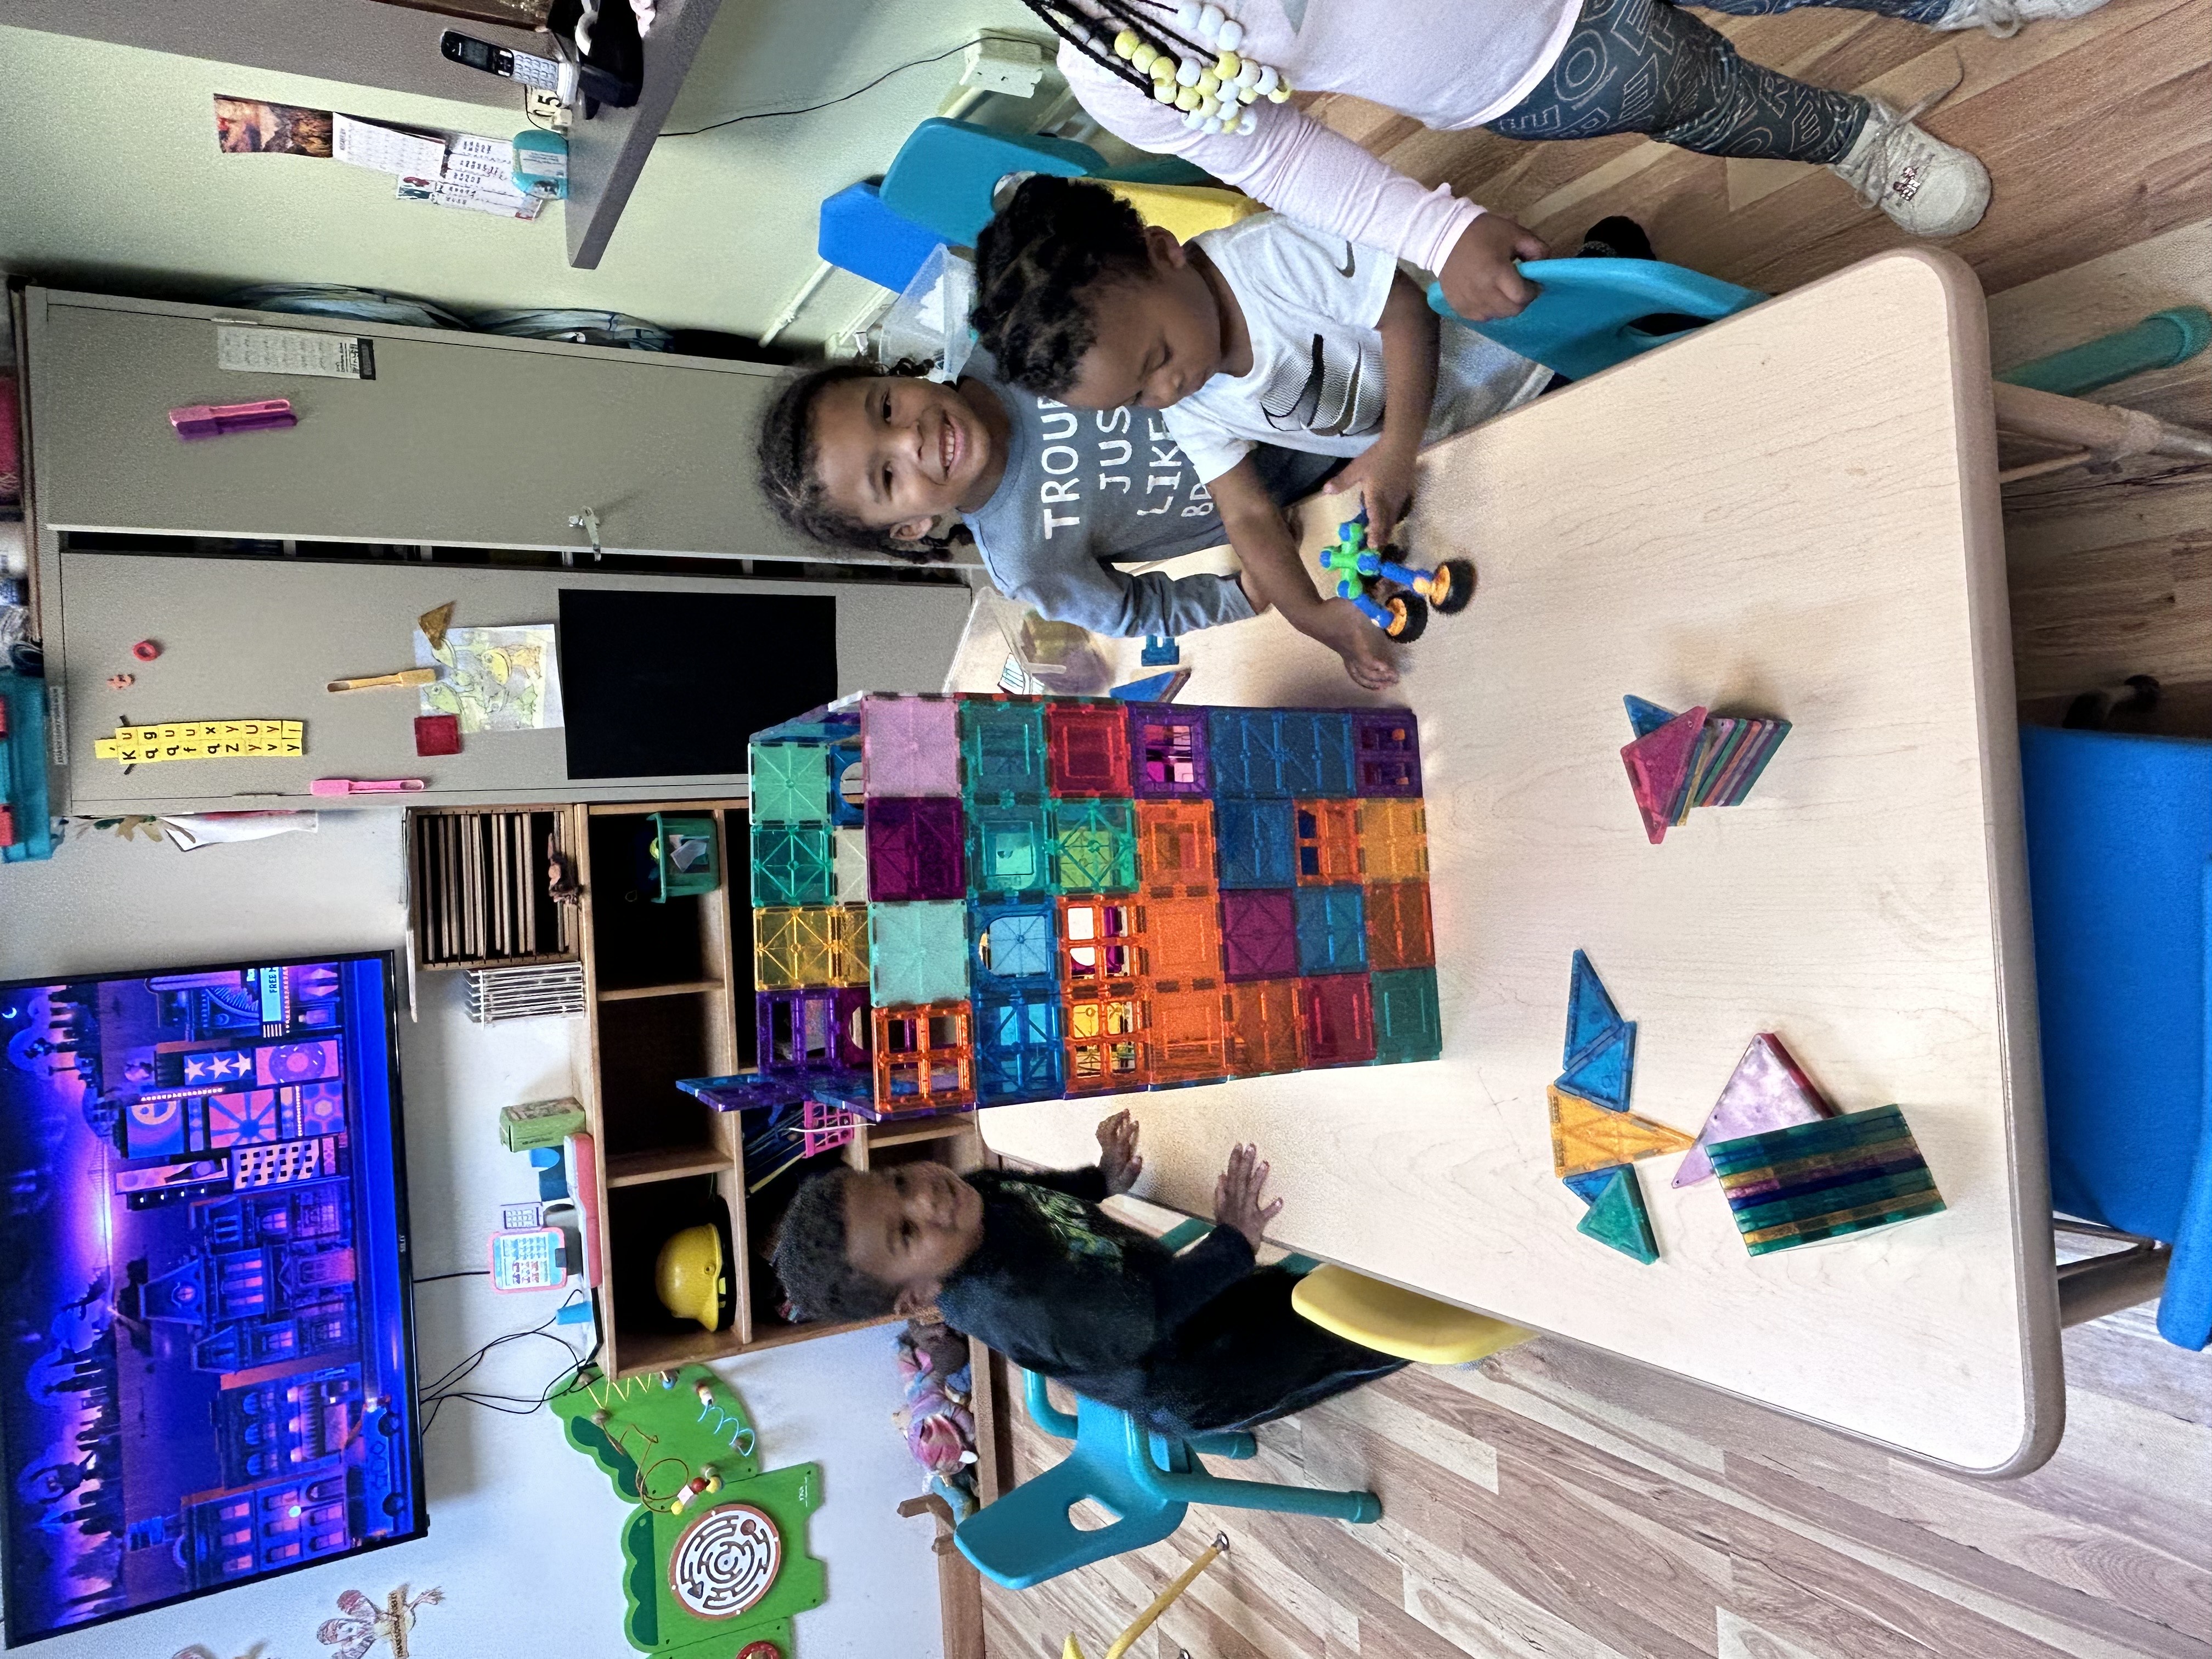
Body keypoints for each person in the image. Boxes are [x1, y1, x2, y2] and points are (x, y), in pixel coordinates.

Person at [1009, 0, 2114, 321]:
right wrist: (1435, 231)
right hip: (1528, 64)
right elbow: (1281, 158)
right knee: (1710, 100)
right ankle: (1854, 137)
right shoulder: (1120, 62)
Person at [974, 176, 1548, 689]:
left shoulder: (1269, 259)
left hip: (1522, 356)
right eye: (1136, 399)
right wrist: (1310, 616)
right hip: (1460, 441)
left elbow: (1406, 313)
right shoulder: (1188, 401)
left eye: (1160, 357)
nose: (1165, 391)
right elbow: (1246, 513)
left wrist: (1395, 447)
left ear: (1164, 253)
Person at [770, 1111, 1404, 1437]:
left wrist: (1100, 1178)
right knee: (1350, 1338)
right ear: (919, 1295)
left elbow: (1034, 1195)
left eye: (897, 1182)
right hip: (1198, 1373)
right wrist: (1233, 1241)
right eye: (906, 1233)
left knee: (1301, 1295)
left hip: (1181, 1300)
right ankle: (1422, 1340)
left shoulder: (968, 1202)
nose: (926, 1197)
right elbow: (1154, 1311)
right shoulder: (1023, 1302)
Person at [756, 355, 1342, 637]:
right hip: (1310, 484)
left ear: (893, 374)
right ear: (910, 528)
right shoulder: (1024, 560)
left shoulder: (1012, 342)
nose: (910, 439)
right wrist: (1245, 592)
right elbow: (1131, 611)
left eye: (886, 407)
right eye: (887, 477)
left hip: (1299, 363)